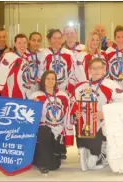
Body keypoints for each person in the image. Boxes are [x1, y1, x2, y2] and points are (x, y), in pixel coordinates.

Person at [71, 58, 123, 171]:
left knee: (102, 126)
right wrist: (75, 113)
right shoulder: (80, 86)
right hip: (86, 123)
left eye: (99, 68)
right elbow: (73, 104)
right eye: (93, 68)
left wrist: (105, 113)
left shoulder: (111, 85)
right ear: (89, 70)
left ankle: (97, 151)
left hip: (103, 123)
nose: (96, 71)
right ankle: (88, 150)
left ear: (104, 70)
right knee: (82, 121)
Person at [37, 29, 85, 160]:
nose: (57, 41)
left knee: (63, 118)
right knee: (49, 117)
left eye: (59, 38)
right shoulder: (44, 54)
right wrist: (44, 89)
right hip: (48, 91)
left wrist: (69, 90)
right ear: (49, 39)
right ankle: (47, 145)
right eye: (54, 38)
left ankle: (60, 147)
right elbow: (40, 73)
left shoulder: (68, 54)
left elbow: (72, 74)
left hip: (63, 93)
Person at [30, 70, 73, 175]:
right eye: (47, 78)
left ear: (56, 81)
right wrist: (33, 105)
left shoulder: (63, 96)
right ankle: (43, 164)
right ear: (43, 80)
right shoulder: (36, 96)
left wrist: (68, 136)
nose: (50, 81)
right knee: (44, 131)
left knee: (54, 166)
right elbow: (30, 117)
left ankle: (37, 159)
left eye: (53, 79)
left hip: (58, 131)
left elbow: (67, 116)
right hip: (43, 130)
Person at [0, 33, 32, 100]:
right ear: (15, 44)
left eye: (24, 43)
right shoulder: (10, 56)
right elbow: (2, 71)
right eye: (19, 43)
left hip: (24, 96)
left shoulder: (26, 59)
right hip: (12, 97)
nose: (22, 45)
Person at [24, 32, 43, 98]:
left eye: (38, 41)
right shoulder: (23, 54)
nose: (36, 43)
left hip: (36, 89)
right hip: (25, 89)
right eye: (33, 40)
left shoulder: (41, 54)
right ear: (29, 41)